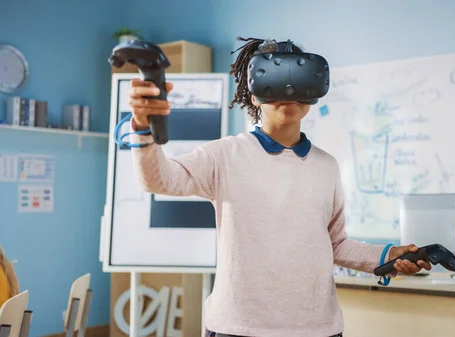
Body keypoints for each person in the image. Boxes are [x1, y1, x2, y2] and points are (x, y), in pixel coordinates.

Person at [126, 36, 432, 337]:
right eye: (274, 80)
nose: (289, 91)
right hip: (238, 328)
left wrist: (390, 254)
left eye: (298, 81)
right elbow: (158, 180)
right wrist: (142, 127)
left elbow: (335, 244)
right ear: (255, 95)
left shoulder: (327, 166)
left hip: (317, 329)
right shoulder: (224, 155)